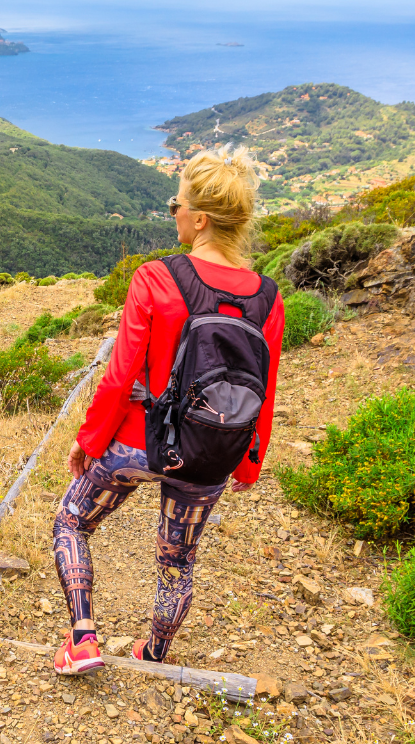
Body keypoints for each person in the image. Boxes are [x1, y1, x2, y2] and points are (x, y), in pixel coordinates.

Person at [50, 147, 285, 674]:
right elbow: (264, 390)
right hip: (211, 449)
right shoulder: (268, 298)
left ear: (199, 219)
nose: (172, 211)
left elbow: (119, 377)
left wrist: (89, 442)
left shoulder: (155, 278)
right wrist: (249, 462)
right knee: (176, 561)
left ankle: (83, 638)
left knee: (71, 522)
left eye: (175, 203)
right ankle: (153, 653)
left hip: (138, 442)